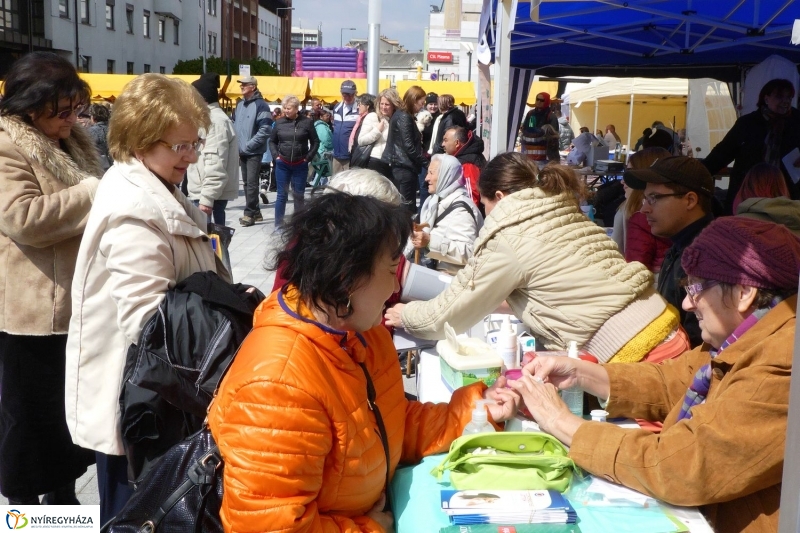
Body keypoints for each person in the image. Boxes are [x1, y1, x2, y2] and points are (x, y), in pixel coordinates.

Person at [208, 192, 518, 532]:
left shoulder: (359, 331)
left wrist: (479, 411)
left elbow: (388, 422)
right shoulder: (278, 386)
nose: (397, 283)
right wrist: (368, 529)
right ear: (347, 279)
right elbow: (269, 525)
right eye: (389, 269)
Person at [510, 216, 800, 533]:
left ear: (744, 292)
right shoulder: (743, 336)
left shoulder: (783, 362)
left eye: (697, 288)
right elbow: (670, 382)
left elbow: (682, 467)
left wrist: (560, 422)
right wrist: (580, 373)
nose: (688, 303)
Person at [65, 74, 225, 522]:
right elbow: (149, 322)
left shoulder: (159, 189)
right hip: (139, 411)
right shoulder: (136, 209)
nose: (191, 156)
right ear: (140, 142)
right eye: (181, 146)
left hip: (157, 400)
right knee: (136, 517)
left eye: (194, 143)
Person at [386, 152, 689, 365]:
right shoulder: (562, 212)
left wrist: (407, 316)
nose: (486, 215)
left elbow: (449, 315)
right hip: (666, 329)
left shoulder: (510, 233)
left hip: (638, 351)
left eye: (486, 204)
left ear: (501, 198)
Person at [0, 51, 100, 507]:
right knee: (29, 428)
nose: (71, 119)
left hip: (75, 306)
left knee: (66, 428)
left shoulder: (70, 142)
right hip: (33, 316)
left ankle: (62, 508)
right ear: (31, 105)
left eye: (75, 109)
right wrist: (90, 193)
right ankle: (25, 515)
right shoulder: (8, 144)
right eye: (63, 111)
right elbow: (22, 219)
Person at [623, 155, 715, 348]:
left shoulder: (705, 259)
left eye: (654, 198)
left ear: (690, 200)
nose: (645, 209)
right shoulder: (680, 246)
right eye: (645, 199)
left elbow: (698, 345)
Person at [703, 78, 800, 214]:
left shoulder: (797, 122)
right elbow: (722, 153)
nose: (785, 101)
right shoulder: (748, 123)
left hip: (788, 194)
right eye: (779, 97)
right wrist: (698, 174)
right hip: (749, 193)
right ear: (766, 98)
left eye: (789, 97)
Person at [408, 154, 483, 275]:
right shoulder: (435, 201)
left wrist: (430, 242)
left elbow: (470, 252)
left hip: (453, 282)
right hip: (436, 276)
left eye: (431, 173)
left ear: (446, 175)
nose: (426, 178)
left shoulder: (461, 210)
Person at [186, 72, 239, 226]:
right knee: (214, 246)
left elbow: (215, 161)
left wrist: (207, 199)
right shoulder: (211, 119)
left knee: (212, 246)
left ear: (202, 99)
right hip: (208, 193)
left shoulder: (214, 122)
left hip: (208, 194)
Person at [615, 147, 672, 275]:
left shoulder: (638, 216)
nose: (623, 180)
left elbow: (635, 271)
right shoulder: (677, 214)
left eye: (630, 173)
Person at [268, 94, 320, 228]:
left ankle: (298, 225)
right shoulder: (279, 123)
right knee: (281, 196)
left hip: (300, 164)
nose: (286, 110)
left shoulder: (306, 122)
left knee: (299, 196)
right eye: (284, 108)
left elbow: (315, 142)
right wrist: (276, 157)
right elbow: (272, 141)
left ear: (297, 109)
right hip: (283, 164)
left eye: (289, 108)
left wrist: (307, 158)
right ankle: (278, 225)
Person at [233, 75, 273, 227]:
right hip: (242, 150)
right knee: (247, 184)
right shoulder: (239, 105)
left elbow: (265, 129)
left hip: (254, 151)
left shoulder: (261, 105)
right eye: (241, 84)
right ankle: (256, 212)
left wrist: (249, 145)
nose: (241, 86)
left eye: (245, 84)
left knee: (251, 183)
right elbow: (234, 124)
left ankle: (249, 214)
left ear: (253, 87)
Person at [383, 85, 427, 213]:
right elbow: (408, 146)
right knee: (406, 205)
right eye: (421, 102)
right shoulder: (404, 116)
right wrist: (425, 163)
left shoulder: (402, 115)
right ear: (414, 100)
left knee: (403, 203)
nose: (422, 106)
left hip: (402, 164)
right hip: (403, 166)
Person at [442, 125, 486, 207]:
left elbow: (471, 196)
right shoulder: (463, 159)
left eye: (445, 140)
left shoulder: (468, 164)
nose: (442, 144)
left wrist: (466, 215)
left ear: (457, 143)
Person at [356, 89, 395, 179]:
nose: (384, 107)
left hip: (391, 163)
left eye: (387, 104)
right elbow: (361, 140)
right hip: (376, 161)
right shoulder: (373, 116)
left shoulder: (395, 118)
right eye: (382, 104)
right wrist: (377, 131)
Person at [519, 92, 559, 168]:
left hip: (545, 156)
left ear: (546, 102)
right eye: (537, 99)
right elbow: (525, 129)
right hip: (529, 154)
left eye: (542, 100)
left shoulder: (551, 116)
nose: (539, 102)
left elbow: (554, 136)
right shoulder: (530, 114)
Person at [332, 79, 359, 175]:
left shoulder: (359, 109)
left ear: (355, 93)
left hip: (350, 156)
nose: (347, 97)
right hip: (336, 155)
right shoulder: (336, 107)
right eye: (345, 94)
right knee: (335, 185)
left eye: (350, 94)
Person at [86, 103, 112, 171]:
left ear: (93, 118)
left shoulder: (91, 131)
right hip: (114, 166)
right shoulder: (114, 130)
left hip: (99, 167)